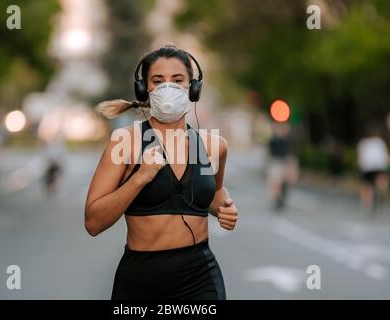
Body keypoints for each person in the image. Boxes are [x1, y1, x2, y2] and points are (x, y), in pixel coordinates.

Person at [85, 45, 238, 300]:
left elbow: (214, 193)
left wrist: (226, 208)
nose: (169, 87)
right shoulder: (125, 143)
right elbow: (93, 222)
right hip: (140, 280)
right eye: (158, 80)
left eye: (178, 80)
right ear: (145, 89)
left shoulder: (214, 145)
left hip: (199, 278)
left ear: (193, 88)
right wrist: (140, 178)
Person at [266, 122, 299, 211]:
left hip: (286, 163)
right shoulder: (273, 140)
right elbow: (270, 153)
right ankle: (278, 200)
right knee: (276, 183)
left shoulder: (289, 140)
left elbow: (291, 153)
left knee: (285, 183)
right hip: (276, 163)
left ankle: (282, 199)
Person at [357, 128, 389, 211]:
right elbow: (384, 155)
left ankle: (366, 202)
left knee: (367, 185)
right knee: (379, 181)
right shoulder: (379, 141)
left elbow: (360, 156)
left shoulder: (363, 142)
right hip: (378, 166)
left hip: (367, 167)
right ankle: (380, 190)